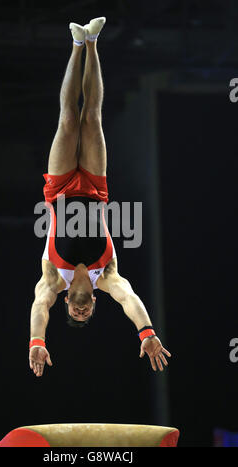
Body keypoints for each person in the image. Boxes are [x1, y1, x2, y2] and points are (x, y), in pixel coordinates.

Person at [29, 18, 171, 377]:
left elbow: (38, 309)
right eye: (86, 313)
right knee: (91, 118)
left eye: (74, 315)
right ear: (93, 302)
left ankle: (74, 47)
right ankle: (91, 41)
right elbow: (129, 300)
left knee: (67, 120)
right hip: (95, 188)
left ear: (66, 303)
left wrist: (38, 341)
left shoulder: (52, 279)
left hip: (58, 190)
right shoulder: (106, 276)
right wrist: (147, 332)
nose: (80, 312)